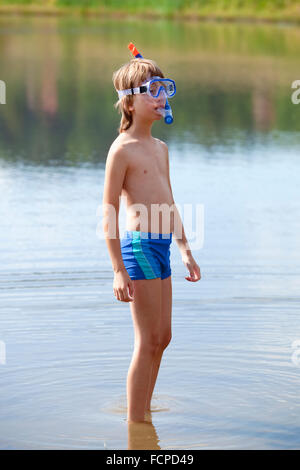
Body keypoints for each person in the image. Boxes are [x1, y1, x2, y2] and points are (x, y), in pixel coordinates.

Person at [102, 57, 201, 424]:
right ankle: (137, 426)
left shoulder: (160, 148)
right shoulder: (122, 150)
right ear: (129, 102)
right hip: (140, 245)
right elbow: (109, 210)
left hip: (161, 245)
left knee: (164, 336)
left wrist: (186, 249)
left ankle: (143, 411)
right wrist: (117, 270)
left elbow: (170, 201)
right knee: (147, 340)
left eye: (165, 90)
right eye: (153, 91)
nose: (161, 98)